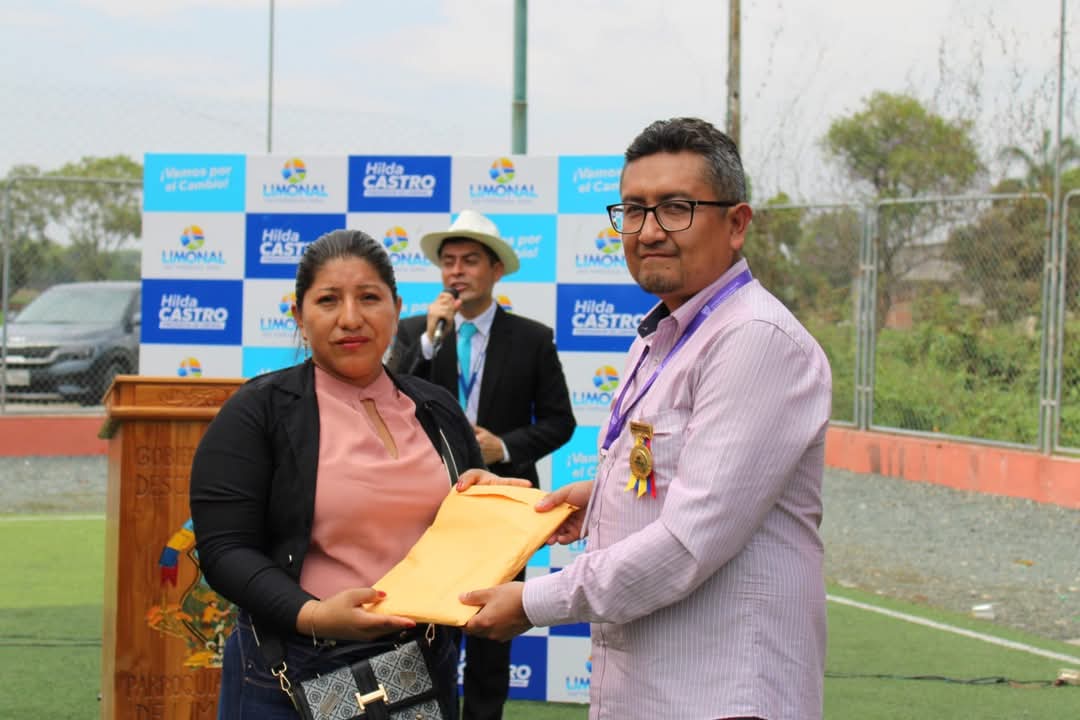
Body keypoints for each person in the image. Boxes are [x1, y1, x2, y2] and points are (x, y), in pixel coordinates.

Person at [457, 117, 833, 720]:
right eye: (633, 211)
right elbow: (664, 475)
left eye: (676, 209)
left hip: (720, 697)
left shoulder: (754, 340)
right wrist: (580, 502)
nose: (649, 231)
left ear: (736, 224)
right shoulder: (660, 336)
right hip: (650, 689)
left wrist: (531, 603)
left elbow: (687, 542)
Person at [190, 229, 485, 719]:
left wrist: (489, 507)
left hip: (420, 666)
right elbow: (224, 549)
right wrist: (313, 615)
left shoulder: (437, 409)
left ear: (396, 308)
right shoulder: (257, 412)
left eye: (369, 298)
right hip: (293, 671)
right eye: (328, 300)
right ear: (299, 316)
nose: (350, 318)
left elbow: (466, 536)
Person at [388, 209, 576, 720]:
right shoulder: (417, 333)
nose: (457, 271)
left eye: (470, 260)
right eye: (448, 261)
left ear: (496, 271)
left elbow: (560, 422)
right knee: (421, 627)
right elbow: (388, 401)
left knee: (491, 636)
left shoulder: (532, 338)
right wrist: (428, 341)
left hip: (503, 508)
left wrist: (504, 448)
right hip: (428, 505)